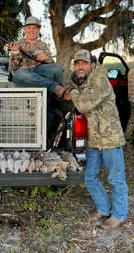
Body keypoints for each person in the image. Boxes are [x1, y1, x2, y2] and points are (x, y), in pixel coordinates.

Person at [64, 49, 128, 230]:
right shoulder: (79, 81)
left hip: (109, 139)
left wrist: (72, 93)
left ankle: (119, 214)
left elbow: (84, 105)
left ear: (92, 65)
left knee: (116, 179)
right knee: (89, 177)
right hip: (93, 139)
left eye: (84, 63)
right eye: (77, 63)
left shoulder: (100, 80)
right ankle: (102, 209)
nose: (80, 66)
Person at [9, 16, 65, 99]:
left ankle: (57, 98)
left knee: (58, 69)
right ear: (25, 29)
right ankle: (56, 88)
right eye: (29, 28)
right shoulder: (17, 44)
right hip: (23, 77)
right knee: (21, 74)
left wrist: (45, 58)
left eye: (35, 28)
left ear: (38, 30)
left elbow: (52, 66)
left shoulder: (43, 45)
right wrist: (15, 53)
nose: (32, 30)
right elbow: (13, 68)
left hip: (39, 73)